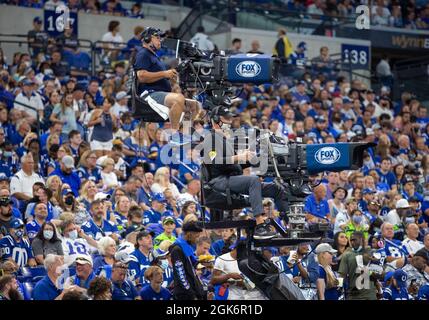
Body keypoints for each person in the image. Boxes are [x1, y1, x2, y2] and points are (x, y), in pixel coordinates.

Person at [198, 106, 289, 239]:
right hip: (218, 182)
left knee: (276, 189)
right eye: (226, 118)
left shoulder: (225, 140)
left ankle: (290, 223)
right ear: (215, 120)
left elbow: (235, 164)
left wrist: (252, 158)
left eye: (230, 119)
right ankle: (260, 225)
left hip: (232, 179)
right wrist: (239, 157)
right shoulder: (210, 138)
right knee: (253, 181)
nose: (229, 122)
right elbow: (214, 161)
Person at [170, 221, 206, 300]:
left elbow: (192, 264)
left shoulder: (187, 246)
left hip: (194, 290)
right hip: (185, 295)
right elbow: (181, 275)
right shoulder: (177, 249)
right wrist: (192, 295)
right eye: (196, 236)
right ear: (190, 234)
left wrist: (205, 265)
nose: (197, 239)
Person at [338, 231, 377, 300]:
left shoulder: (372, 252)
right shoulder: (347, 255)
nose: (352, 242)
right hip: (354, 294)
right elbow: (342, 274)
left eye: (354, 240)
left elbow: (378, 272)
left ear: (362, 240)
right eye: (351, 240)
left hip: (369, 294)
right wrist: (339, 286)